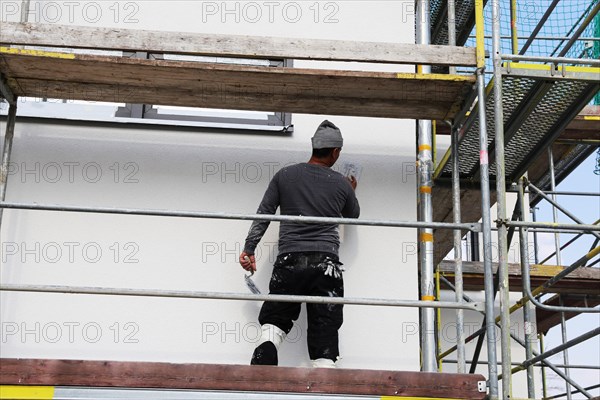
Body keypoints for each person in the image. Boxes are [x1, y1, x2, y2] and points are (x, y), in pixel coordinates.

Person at [239, 120, 360, 368]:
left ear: (314, 147)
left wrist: (249, 249)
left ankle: (267, 347)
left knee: (276, 316)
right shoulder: (341, 183)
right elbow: (353, 215)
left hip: (290, 259)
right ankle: (324, 369)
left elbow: (265, 214)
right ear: (336, 152)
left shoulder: (285, 175)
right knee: (325, 325)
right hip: (326, 263)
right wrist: (351, 190)